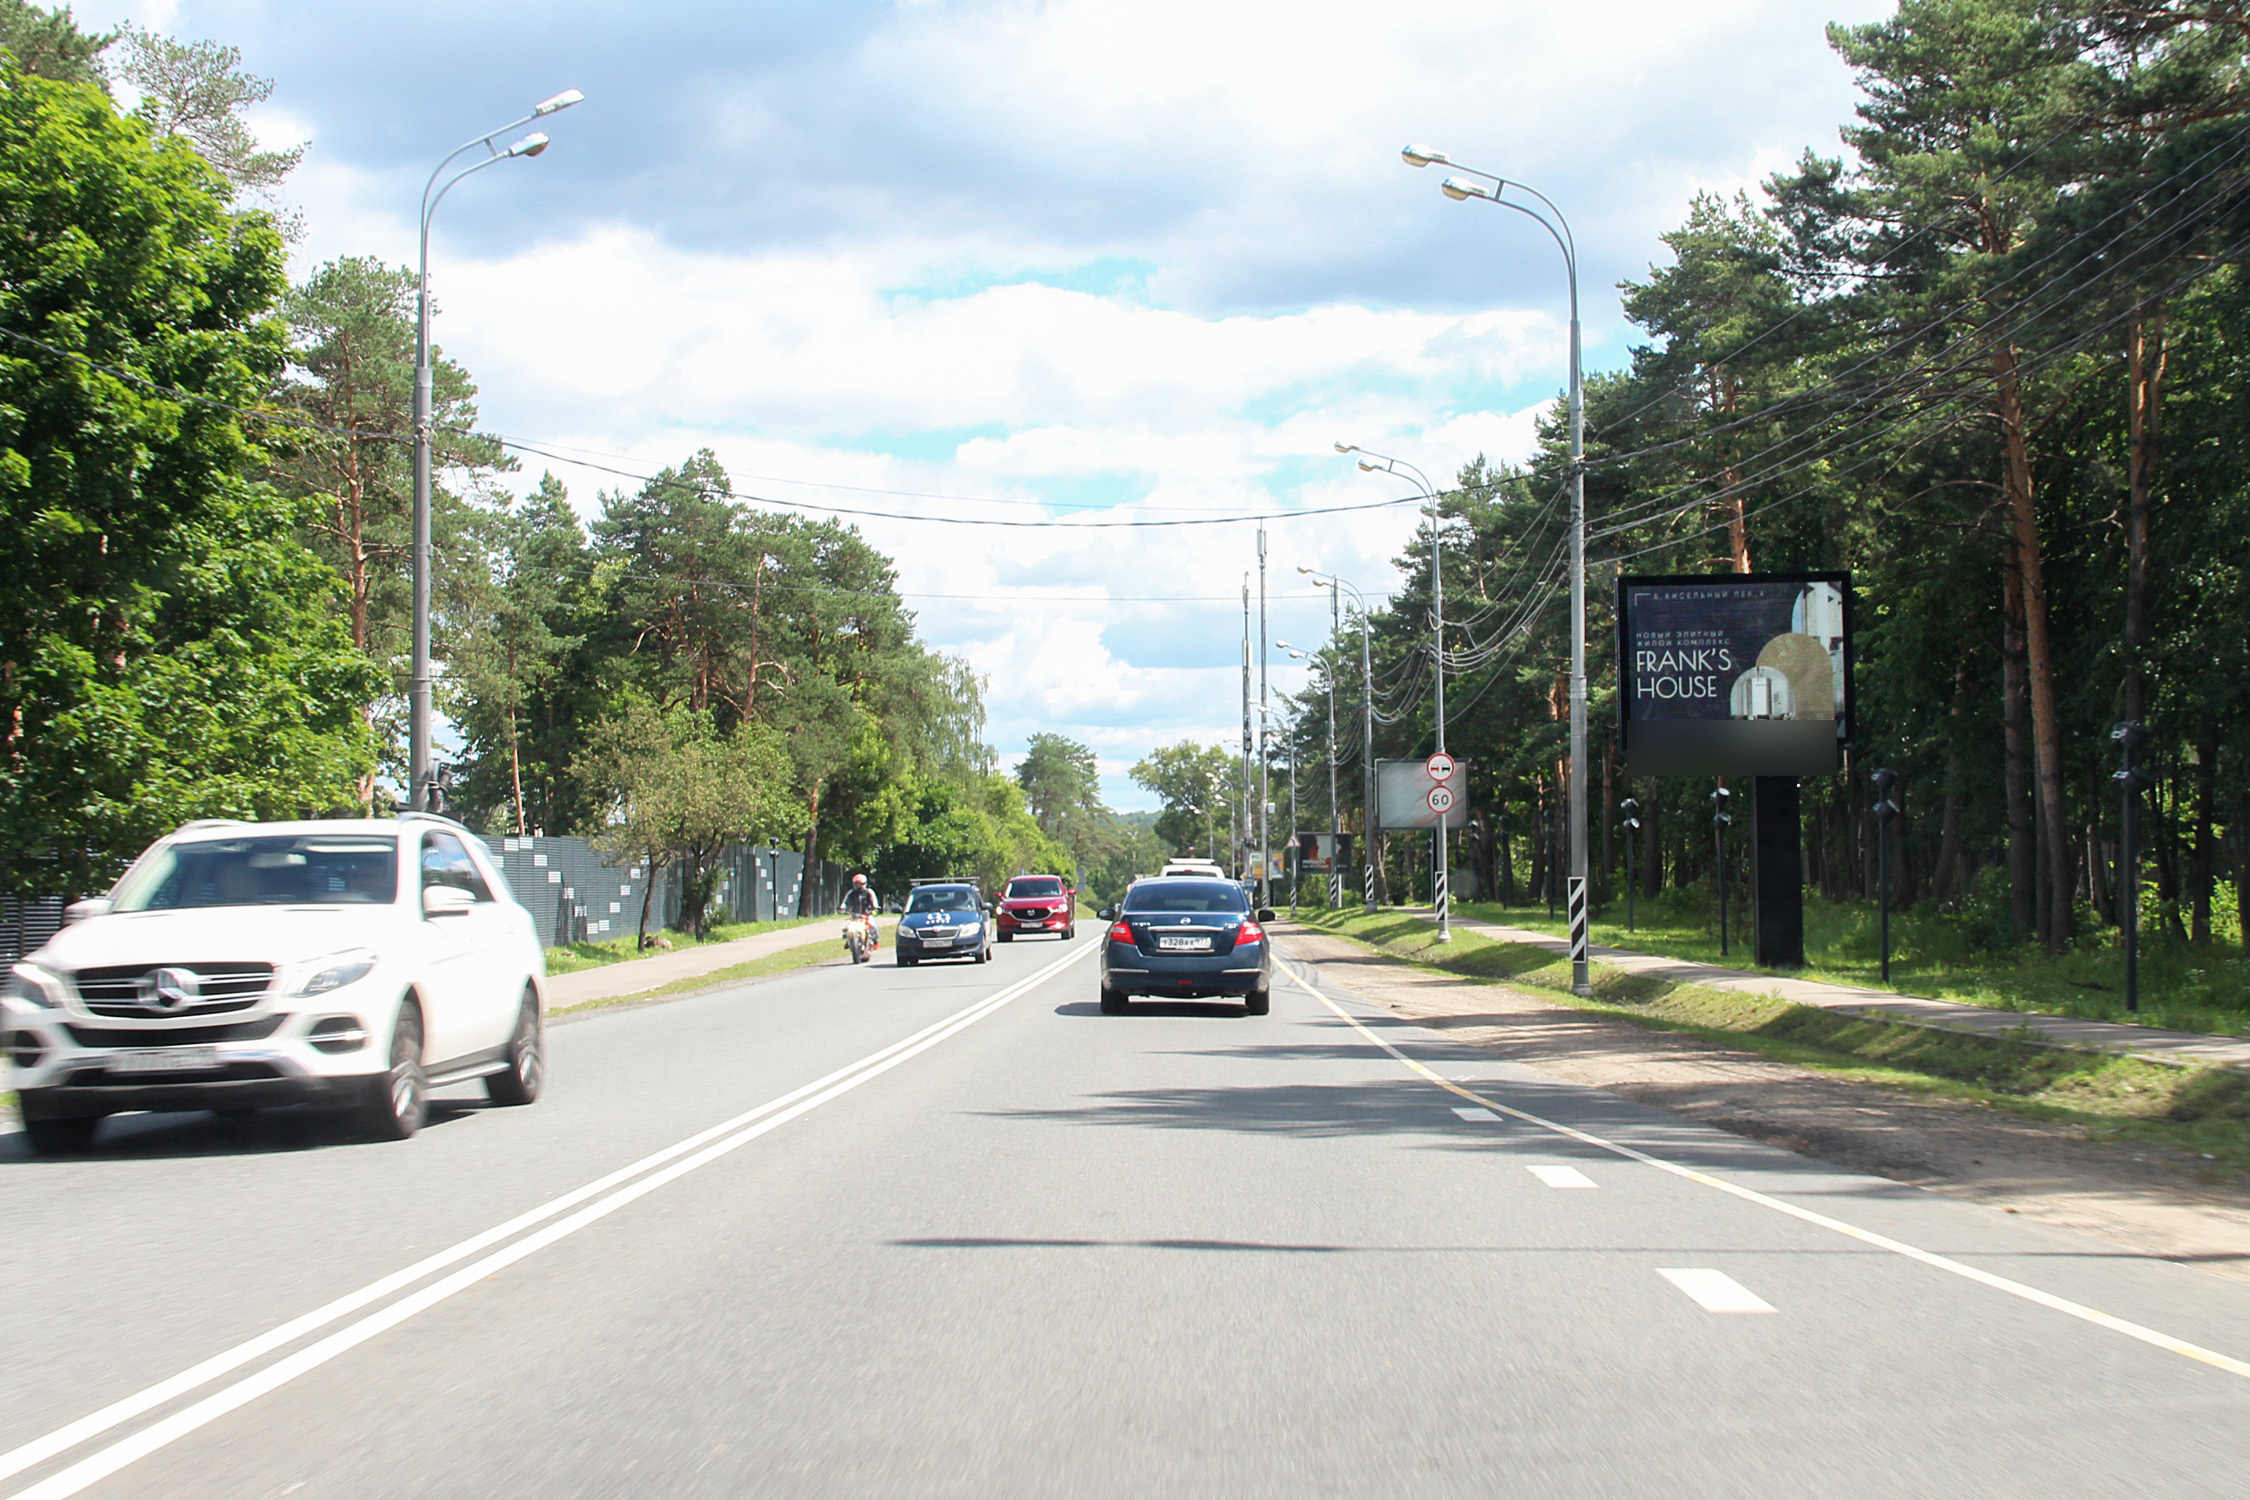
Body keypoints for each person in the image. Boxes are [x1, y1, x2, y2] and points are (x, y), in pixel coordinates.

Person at [842, 872, 879, 946]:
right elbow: (845, 902)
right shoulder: (851, 893)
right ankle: (849, 940)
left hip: (867, 914)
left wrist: (875, 907)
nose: (858, 886)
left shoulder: (869, 892)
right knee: (847, 927)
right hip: (854, 915)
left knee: (873, 926)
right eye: (857, 884)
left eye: (860, 884)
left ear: (864, 883)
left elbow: (874, 901)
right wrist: (842, 908)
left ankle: (875, 941)